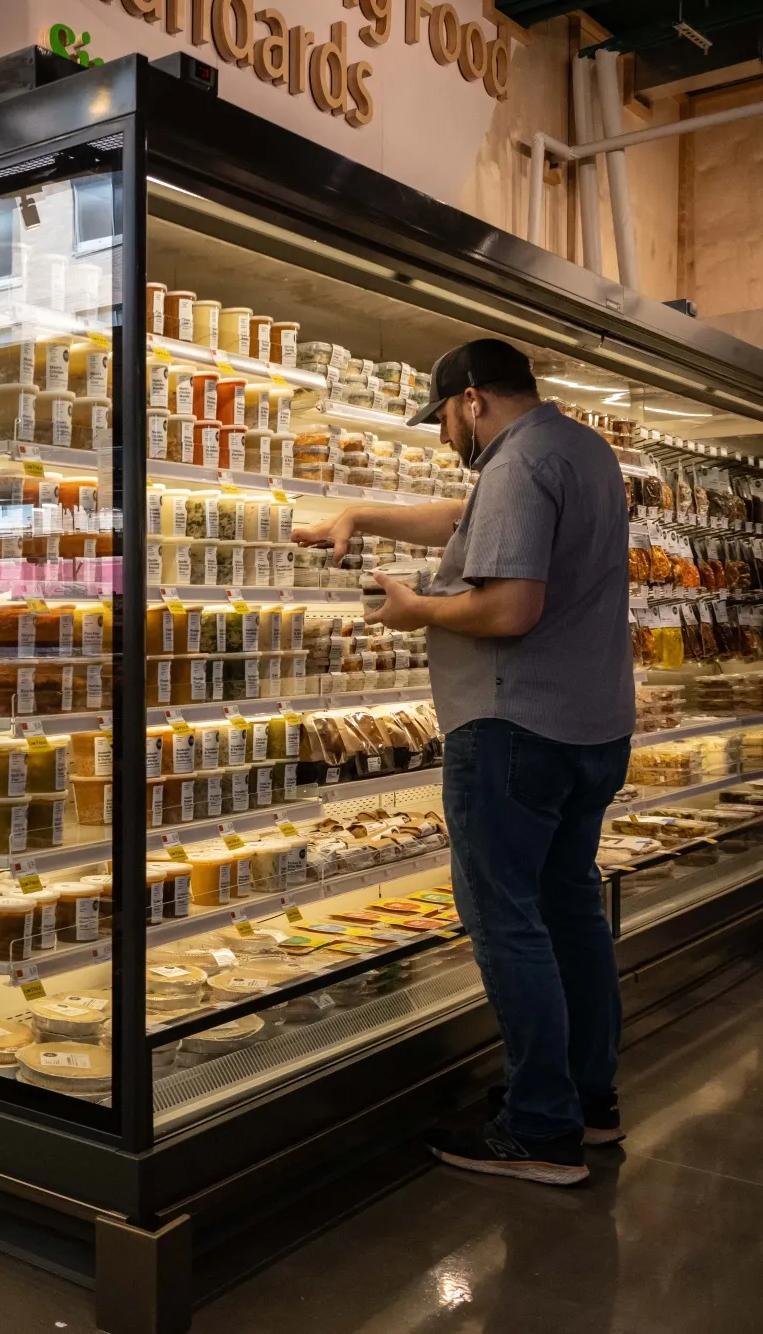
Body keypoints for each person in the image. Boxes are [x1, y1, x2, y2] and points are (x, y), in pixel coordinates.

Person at [292, 338, 633, 1187]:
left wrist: (420, 612)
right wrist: (359, 516)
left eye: (445, 417)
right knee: (570, 912)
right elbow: (460, 519)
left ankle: (539, 1128)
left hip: (515, 728)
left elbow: (511, 608)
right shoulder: (579, 449)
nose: (445, 435)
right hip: (591, 728)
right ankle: (588, 1104)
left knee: (507, 920)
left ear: (473, 400)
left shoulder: (518, 467)